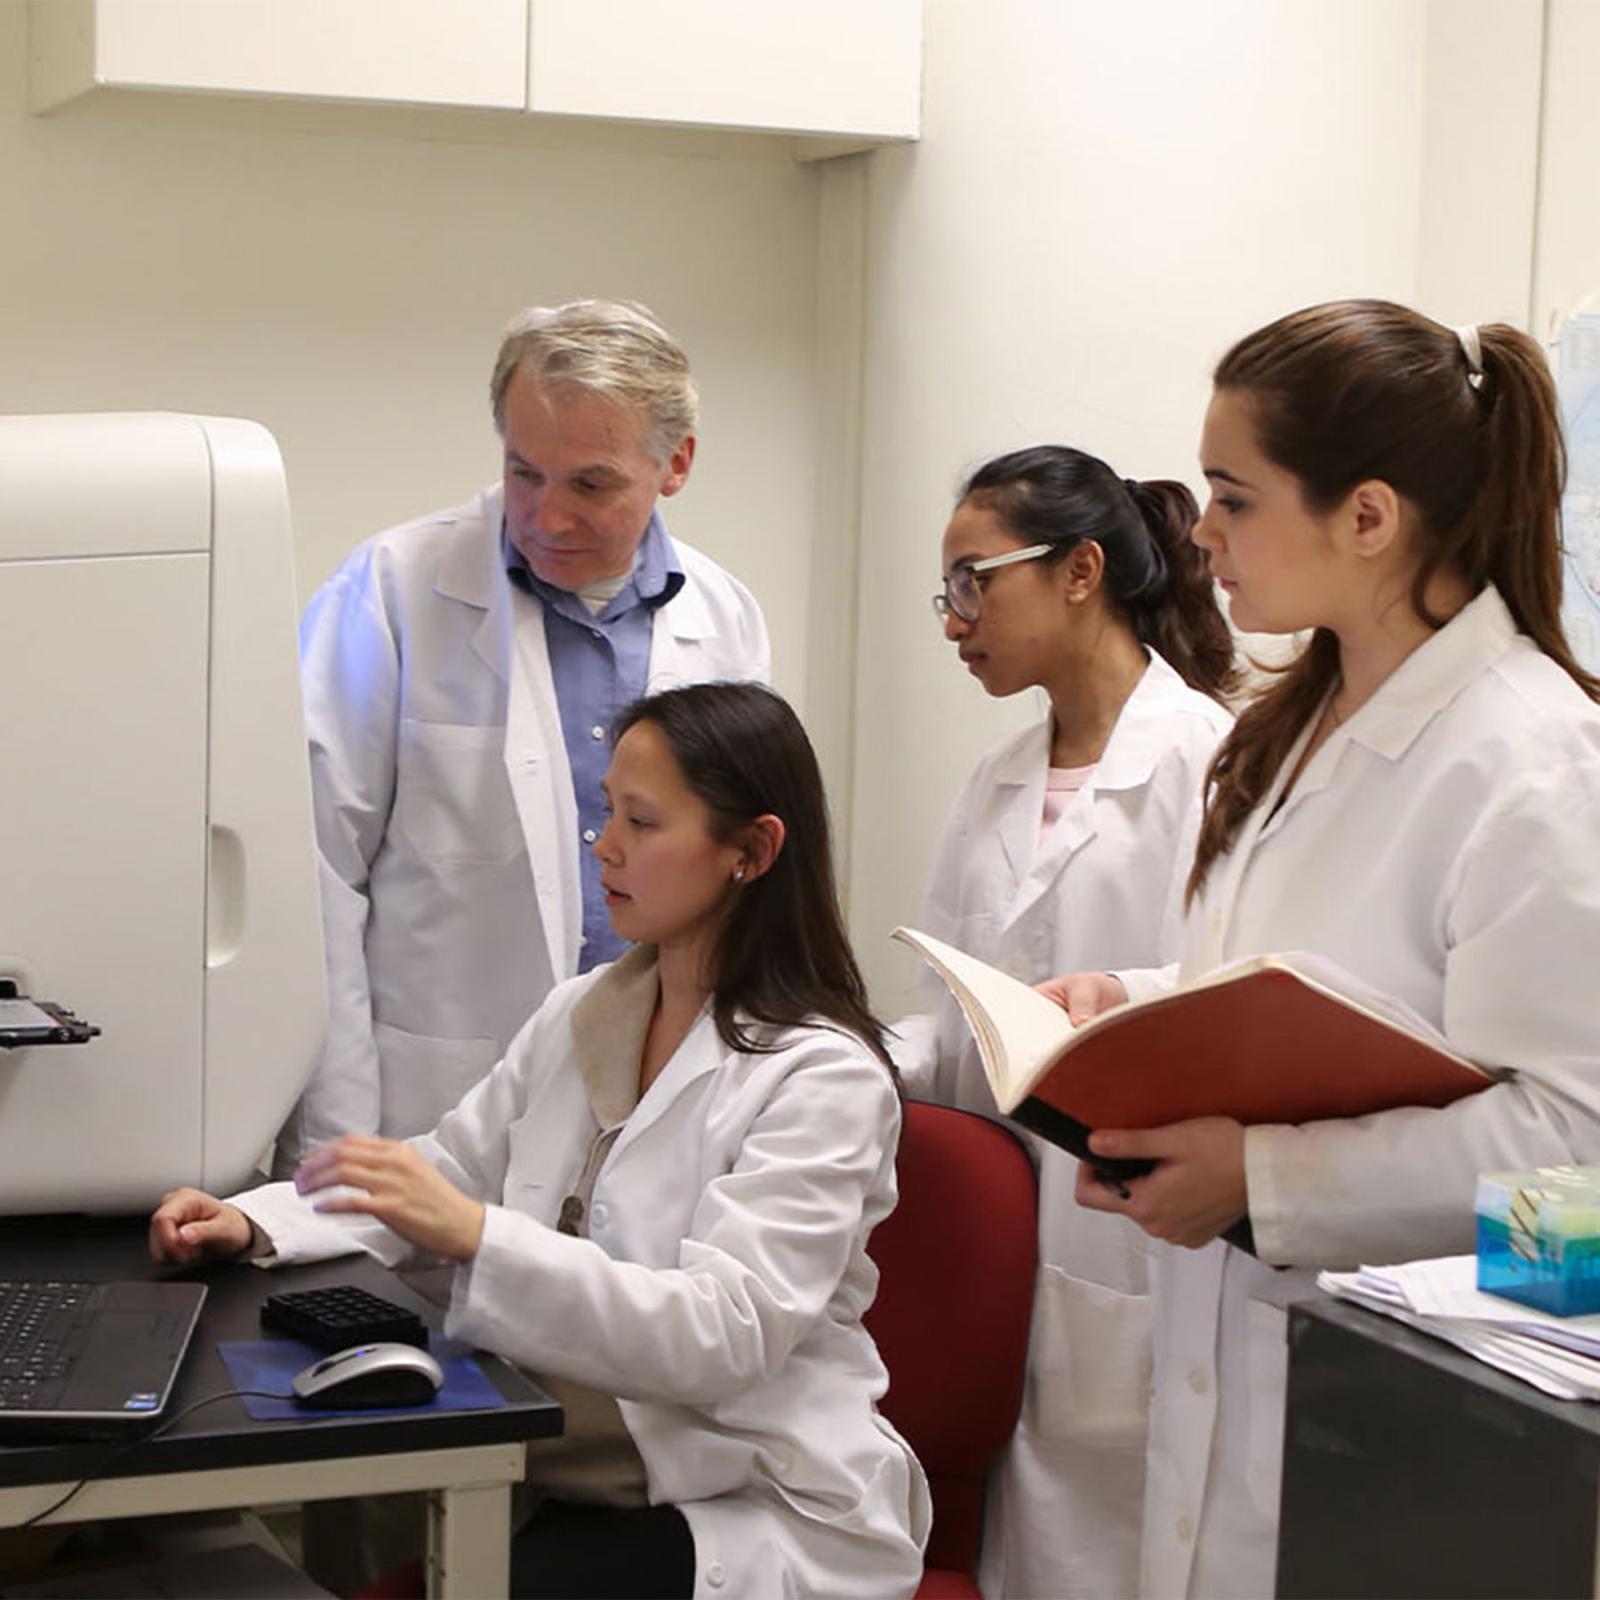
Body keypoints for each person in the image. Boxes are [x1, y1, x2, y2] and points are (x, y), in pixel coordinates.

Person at [1044, 300, 1600, 1599]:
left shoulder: (1535, 766)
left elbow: (1572, 1150)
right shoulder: (1305, 721)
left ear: (1368, 517)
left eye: (1235, 498)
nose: (1200, 531)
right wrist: (1130, 999)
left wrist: (1265, 1178)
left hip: (1402, 1416)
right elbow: (1333, 987)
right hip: (1239, 1362)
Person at [152, 681, 931, 1600]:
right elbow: (444, 1173)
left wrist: (478, 1234)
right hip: (573, 1469)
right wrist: (256, 1224)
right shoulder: (585, 1011)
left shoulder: (823, 1076)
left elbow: (726, 1335)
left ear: (751, 852)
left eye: (643, 822)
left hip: (745, 1498)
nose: (605, 845)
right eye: (608, 812)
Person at [277, 299, 770, 1174]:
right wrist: (340, 1142)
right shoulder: (392, 588)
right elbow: (314, 874)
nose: (545, 517)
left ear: (675, 465)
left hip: (652, 1093)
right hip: (433, 1094)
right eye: (523, 473)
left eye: (590, 484)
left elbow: (735, 878)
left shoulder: (724, 618)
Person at [896, 446, 1235, 1599]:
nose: (953, 620)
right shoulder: (994, 779)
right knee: (1013, 1539)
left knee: (1126, 1547)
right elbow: (947, 1017)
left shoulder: (1207, 763)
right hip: (1002, 1236)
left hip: (1130, 1233)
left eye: (971, 582)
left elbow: (1223, 1002)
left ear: (1080, 569)